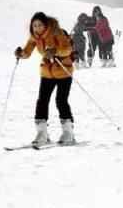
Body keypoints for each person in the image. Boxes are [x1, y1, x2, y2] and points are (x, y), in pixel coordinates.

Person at [14, 12, 76, 146]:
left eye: (39, 25)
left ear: (45, 25)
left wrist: (55, 51)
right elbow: (27, 51)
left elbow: (67, 49)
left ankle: (68, 133)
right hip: (47, 72)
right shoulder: (34, 37)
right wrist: (21, 54)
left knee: (61, 100)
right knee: (42, 100)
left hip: (63, 70)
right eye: (34, 25)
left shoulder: (56, 32)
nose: (37, 28)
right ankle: (42, 133)